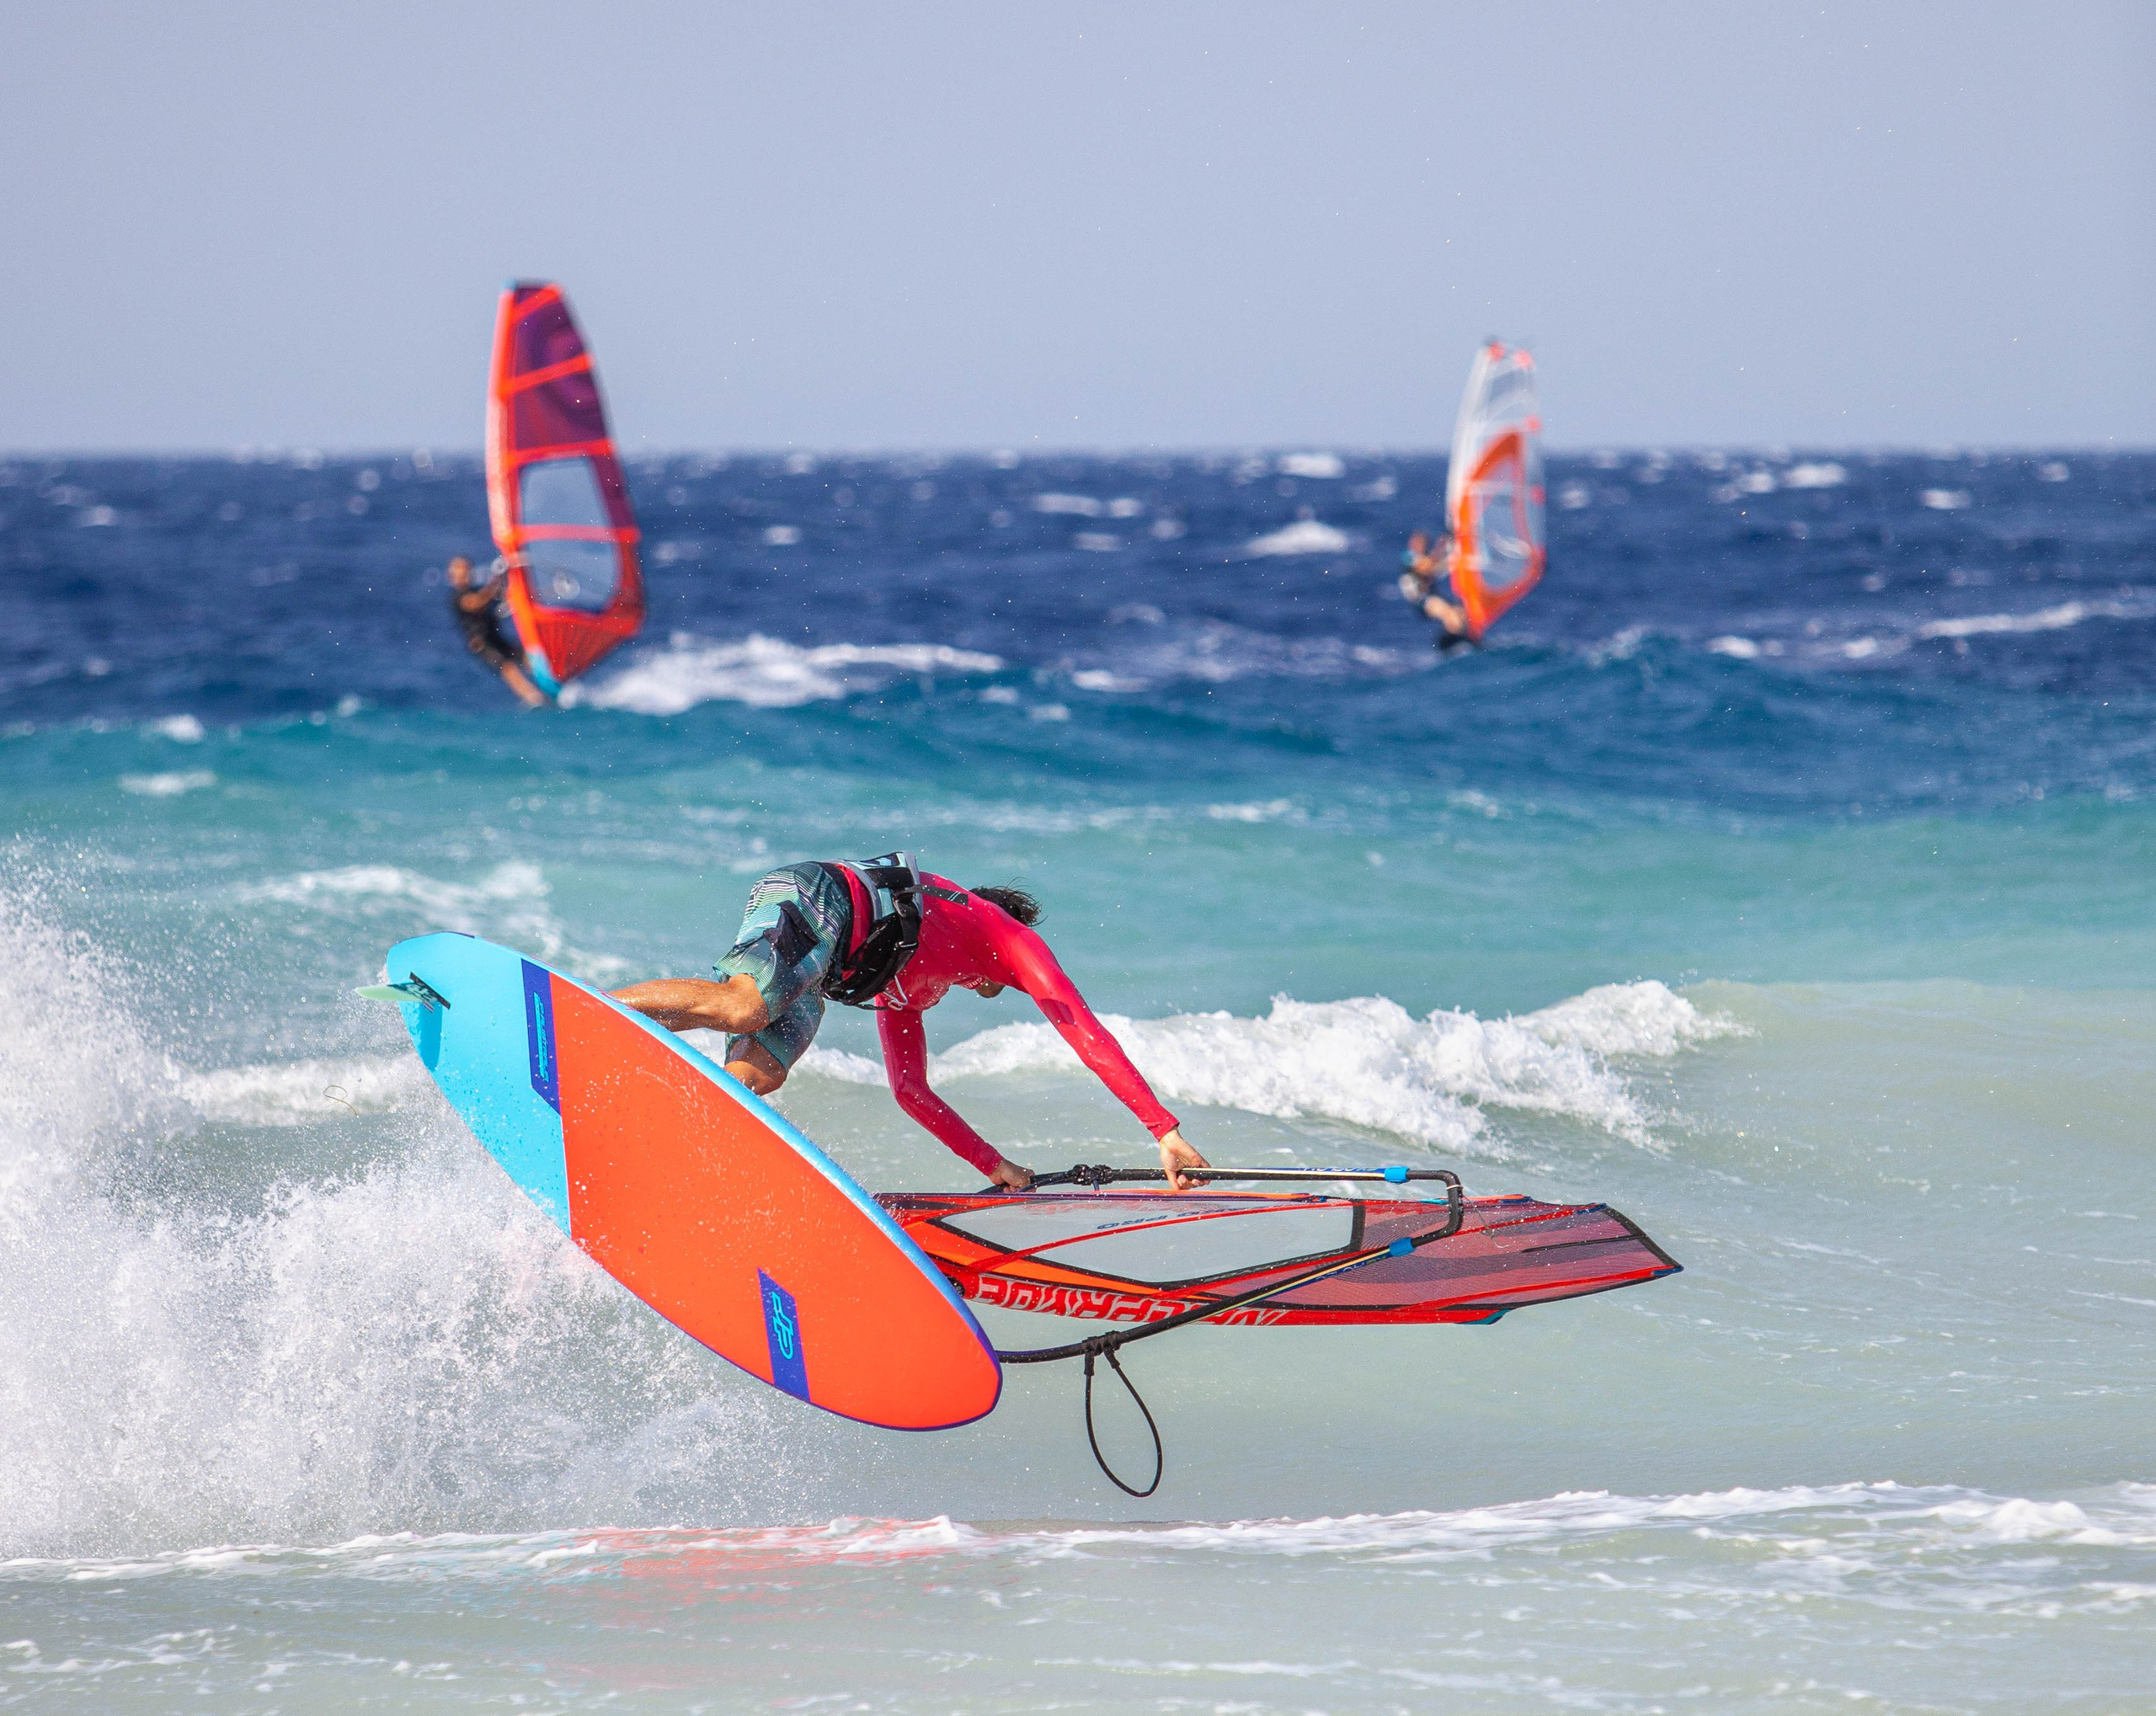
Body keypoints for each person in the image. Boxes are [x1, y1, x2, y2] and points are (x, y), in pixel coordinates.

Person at [611, 856, 1210, 1192]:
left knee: (757, 1076)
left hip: (820, 969)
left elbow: (910, 1091)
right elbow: (1083, 1031)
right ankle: (595, 1008)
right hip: (821, 898)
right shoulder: (1003, 935)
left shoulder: (912, 987)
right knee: (745, 1005)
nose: (992, 990)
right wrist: (1164, 1130)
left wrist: (991, 1163)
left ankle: (638, 1144)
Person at [448, 556, 548, 707]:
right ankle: (533, 697)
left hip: (495, 637)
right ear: (452, 577)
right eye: (460, 572)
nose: (464, 576)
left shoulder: (477, 590)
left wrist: (506, 584)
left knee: (527, 657)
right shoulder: (457, 597)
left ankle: (551, 681)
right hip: (482, 644)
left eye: (466, 571)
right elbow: (475, 603)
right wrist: (495, 581)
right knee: (508, 667)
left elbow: (494, 598)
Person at [1398, 530, 1474, 652]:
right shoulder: (1408, 556)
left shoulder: (1425, 555)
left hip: (1431, 595)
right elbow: (1427, 567)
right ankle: (1452, 645)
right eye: (1420, 543)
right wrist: (1445, 545)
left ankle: (1461, 640)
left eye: (1425, 543)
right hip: (1422, 600)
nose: (1423, 546)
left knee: (1460, 612)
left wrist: (1449, 548)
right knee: (1449, 613)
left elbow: (1434, 565)